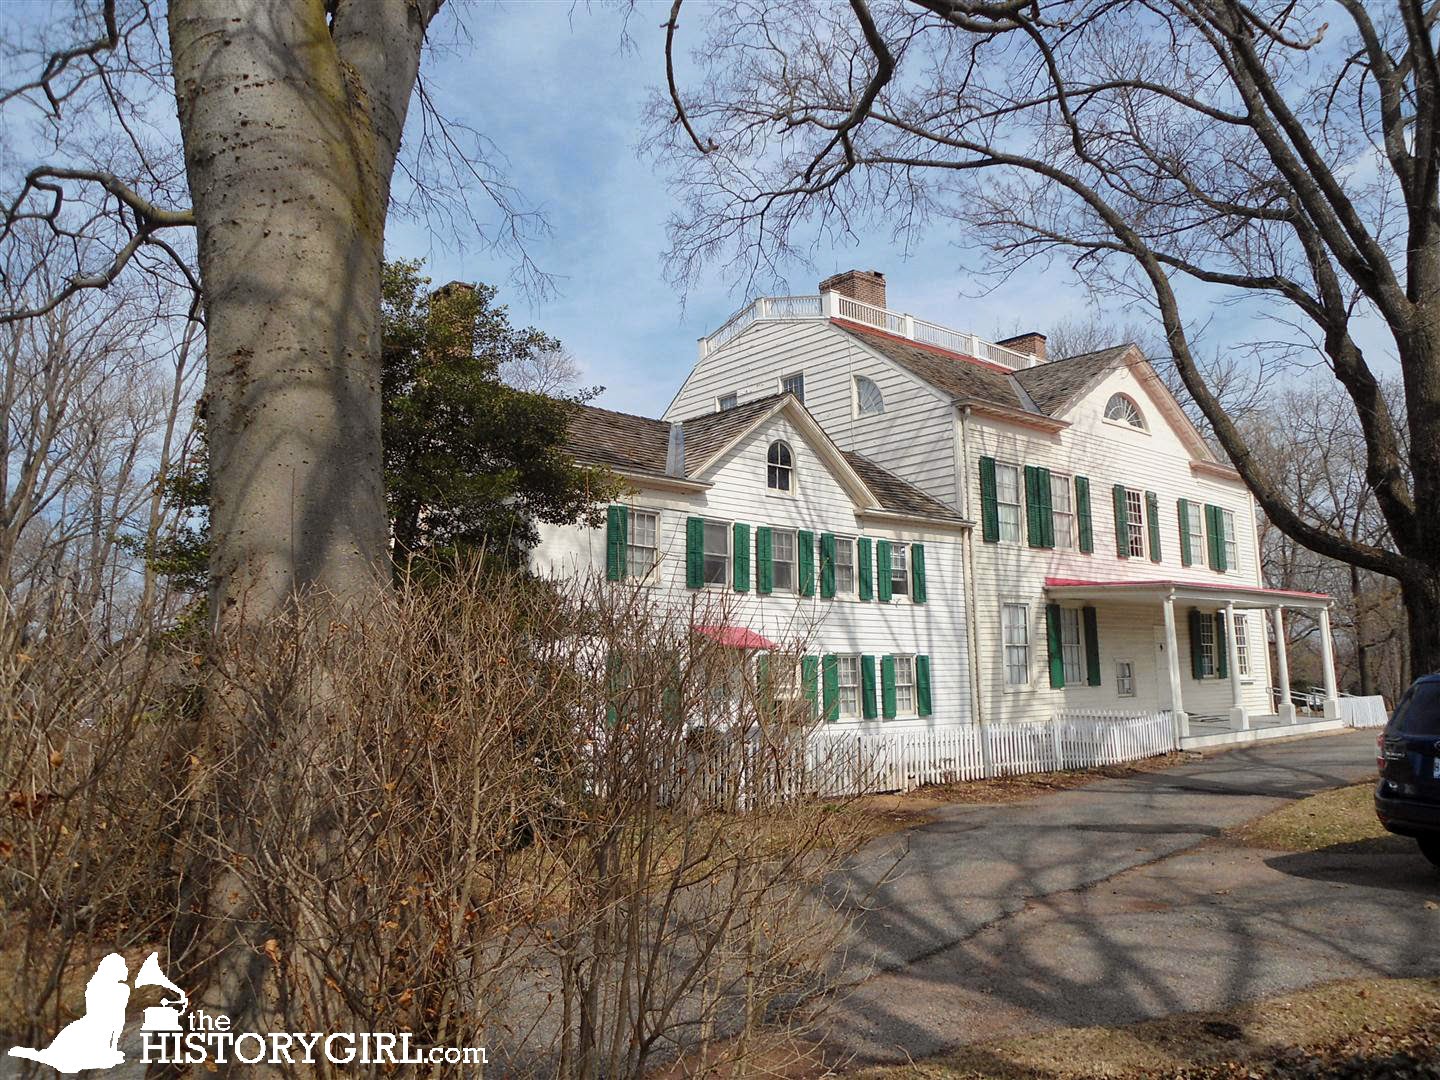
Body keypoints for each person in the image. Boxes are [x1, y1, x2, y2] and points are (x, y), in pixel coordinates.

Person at [7, 952, 130, 1072]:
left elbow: (115, 1017)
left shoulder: (107, 987)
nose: (125, 969)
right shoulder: (112, 989)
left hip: (96, 1025)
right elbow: (112, 1017)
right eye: (122, 966)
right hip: (96, 1026)